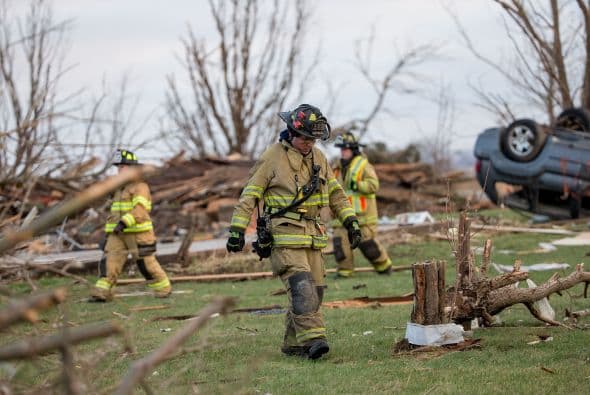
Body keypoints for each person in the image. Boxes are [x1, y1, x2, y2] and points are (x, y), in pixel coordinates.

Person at [226, 104, 361, 360]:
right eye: (306, 138)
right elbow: (250, 195)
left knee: (316, 292)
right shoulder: (271, 158)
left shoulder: (319, 157)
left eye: (314, 139)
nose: (310, 144)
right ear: (292, 132)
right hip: (284, 235)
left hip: (313, 235)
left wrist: (351, 221)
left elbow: (335, 193)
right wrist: (236, 229)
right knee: (302, 288)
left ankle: (293, 343)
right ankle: (314, 340)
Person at [90, 149, 172, 302]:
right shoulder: (118, 188)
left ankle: (163, 289)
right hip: (118, 233)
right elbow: (112, 212)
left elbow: (140, 210)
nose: (119, 170)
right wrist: (109, 232)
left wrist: (124, 222)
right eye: (118, 167)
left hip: (138, 233)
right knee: (109, 262)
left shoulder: (140, 186)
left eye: (123, 166)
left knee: (146, 264)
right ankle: (102, 293)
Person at [331, 132, 393, 277]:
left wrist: (357, 184)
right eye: (341, 149)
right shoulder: (336, 168)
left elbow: (374, 186)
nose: (343, 152)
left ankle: (385, 268)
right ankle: (344, 273)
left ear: (353, 150)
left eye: (345, 149)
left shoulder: (364, 166)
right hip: (342, 217)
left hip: (363, 217)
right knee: (340, 245)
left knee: (368, 245)